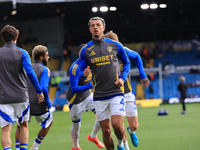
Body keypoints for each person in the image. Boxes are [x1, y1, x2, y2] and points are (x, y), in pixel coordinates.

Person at [79, 17, 130, 150]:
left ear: (103, 28)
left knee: (117, 126)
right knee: (106, 131)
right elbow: (79, 70)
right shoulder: (86, 50)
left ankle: (120, 143)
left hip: (116, 92)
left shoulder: (115, 45)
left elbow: (127, 62)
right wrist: (82, 73)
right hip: (99, 95)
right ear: (90, 29)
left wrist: (122, 78)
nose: (95, 27)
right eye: (92, 25)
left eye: (98, 25)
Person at [0, 25, 44, 150]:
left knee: (5, 131)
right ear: (17, 37)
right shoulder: (22, 52)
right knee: (24, 126)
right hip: (21, 97)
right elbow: (30, 72)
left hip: (3, 99)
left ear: (3, 38)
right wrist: (39, 91)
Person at [104, 31, 150, 150]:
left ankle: (131, 132)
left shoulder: (123, 50)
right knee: (119, 124)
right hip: (113, 94)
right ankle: (123, 145)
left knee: (134, 125)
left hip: (127, 93)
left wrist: (142, 74)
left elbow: (137, 56)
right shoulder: (102, 54)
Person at [66, 44, 105, 150]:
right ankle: (75, 146)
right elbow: (74, 88)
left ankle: (93, 136)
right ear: (79, 53)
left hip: (88, 95)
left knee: (104, 115)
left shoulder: (93, 62)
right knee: (76, 125)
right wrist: (89, 84)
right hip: (75, 100)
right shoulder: (74, 68)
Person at [15, 45, 53, 150]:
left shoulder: (25, 68)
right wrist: (48, 103)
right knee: (49, 121)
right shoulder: (45, 70)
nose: (48, 57)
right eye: (47, 55)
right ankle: (35, 147)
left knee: (20, 126)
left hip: (24, 103)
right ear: (41, 57)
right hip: (39, 105)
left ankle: (18, 148)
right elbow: (44, 88)